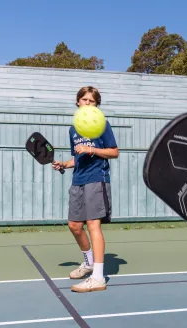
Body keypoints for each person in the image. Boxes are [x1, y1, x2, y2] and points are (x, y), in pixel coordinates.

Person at [52, 86, 119, 293]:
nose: (88, 103)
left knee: (93, 225)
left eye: (92, 101)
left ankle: (98, 278)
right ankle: (88, 262)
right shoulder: (73, 129)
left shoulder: (102, 125)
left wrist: (92, 149)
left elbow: (114, 152)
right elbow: (78, 157)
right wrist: (64, 163)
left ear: (96, 105)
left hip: (97, 179)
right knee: (74, 225)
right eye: (84, 100)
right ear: (78, 102)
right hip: (78, 180)